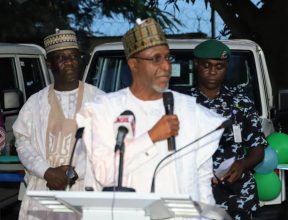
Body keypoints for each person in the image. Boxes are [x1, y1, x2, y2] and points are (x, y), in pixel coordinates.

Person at [76, 18, 226, 208]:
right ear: (133, 65)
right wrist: (151, 137)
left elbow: (202, 179)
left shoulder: (189, 110)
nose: (166, 66)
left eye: (167, 58)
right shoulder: (106, 108)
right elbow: (104, 174)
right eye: (156, 58)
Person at [13, 29, 104, 220]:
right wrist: (46, 171)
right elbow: (22, 142)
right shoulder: (34, 103)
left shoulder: (99, 100)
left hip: (84, 190)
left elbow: (107, 145)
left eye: (73, 57)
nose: (69, 63)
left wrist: (72, 173)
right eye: (61, 58)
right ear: (49, 64)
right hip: (44, 188)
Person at [189, 39, 267, 220]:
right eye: (206, 65)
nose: (213, 72)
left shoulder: (241, 103)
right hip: (195, 194)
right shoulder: (183, 103)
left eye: (219, 66)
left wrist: (242, 164)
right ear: (196, 64)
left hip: (238, 195)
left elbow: (258, 150)